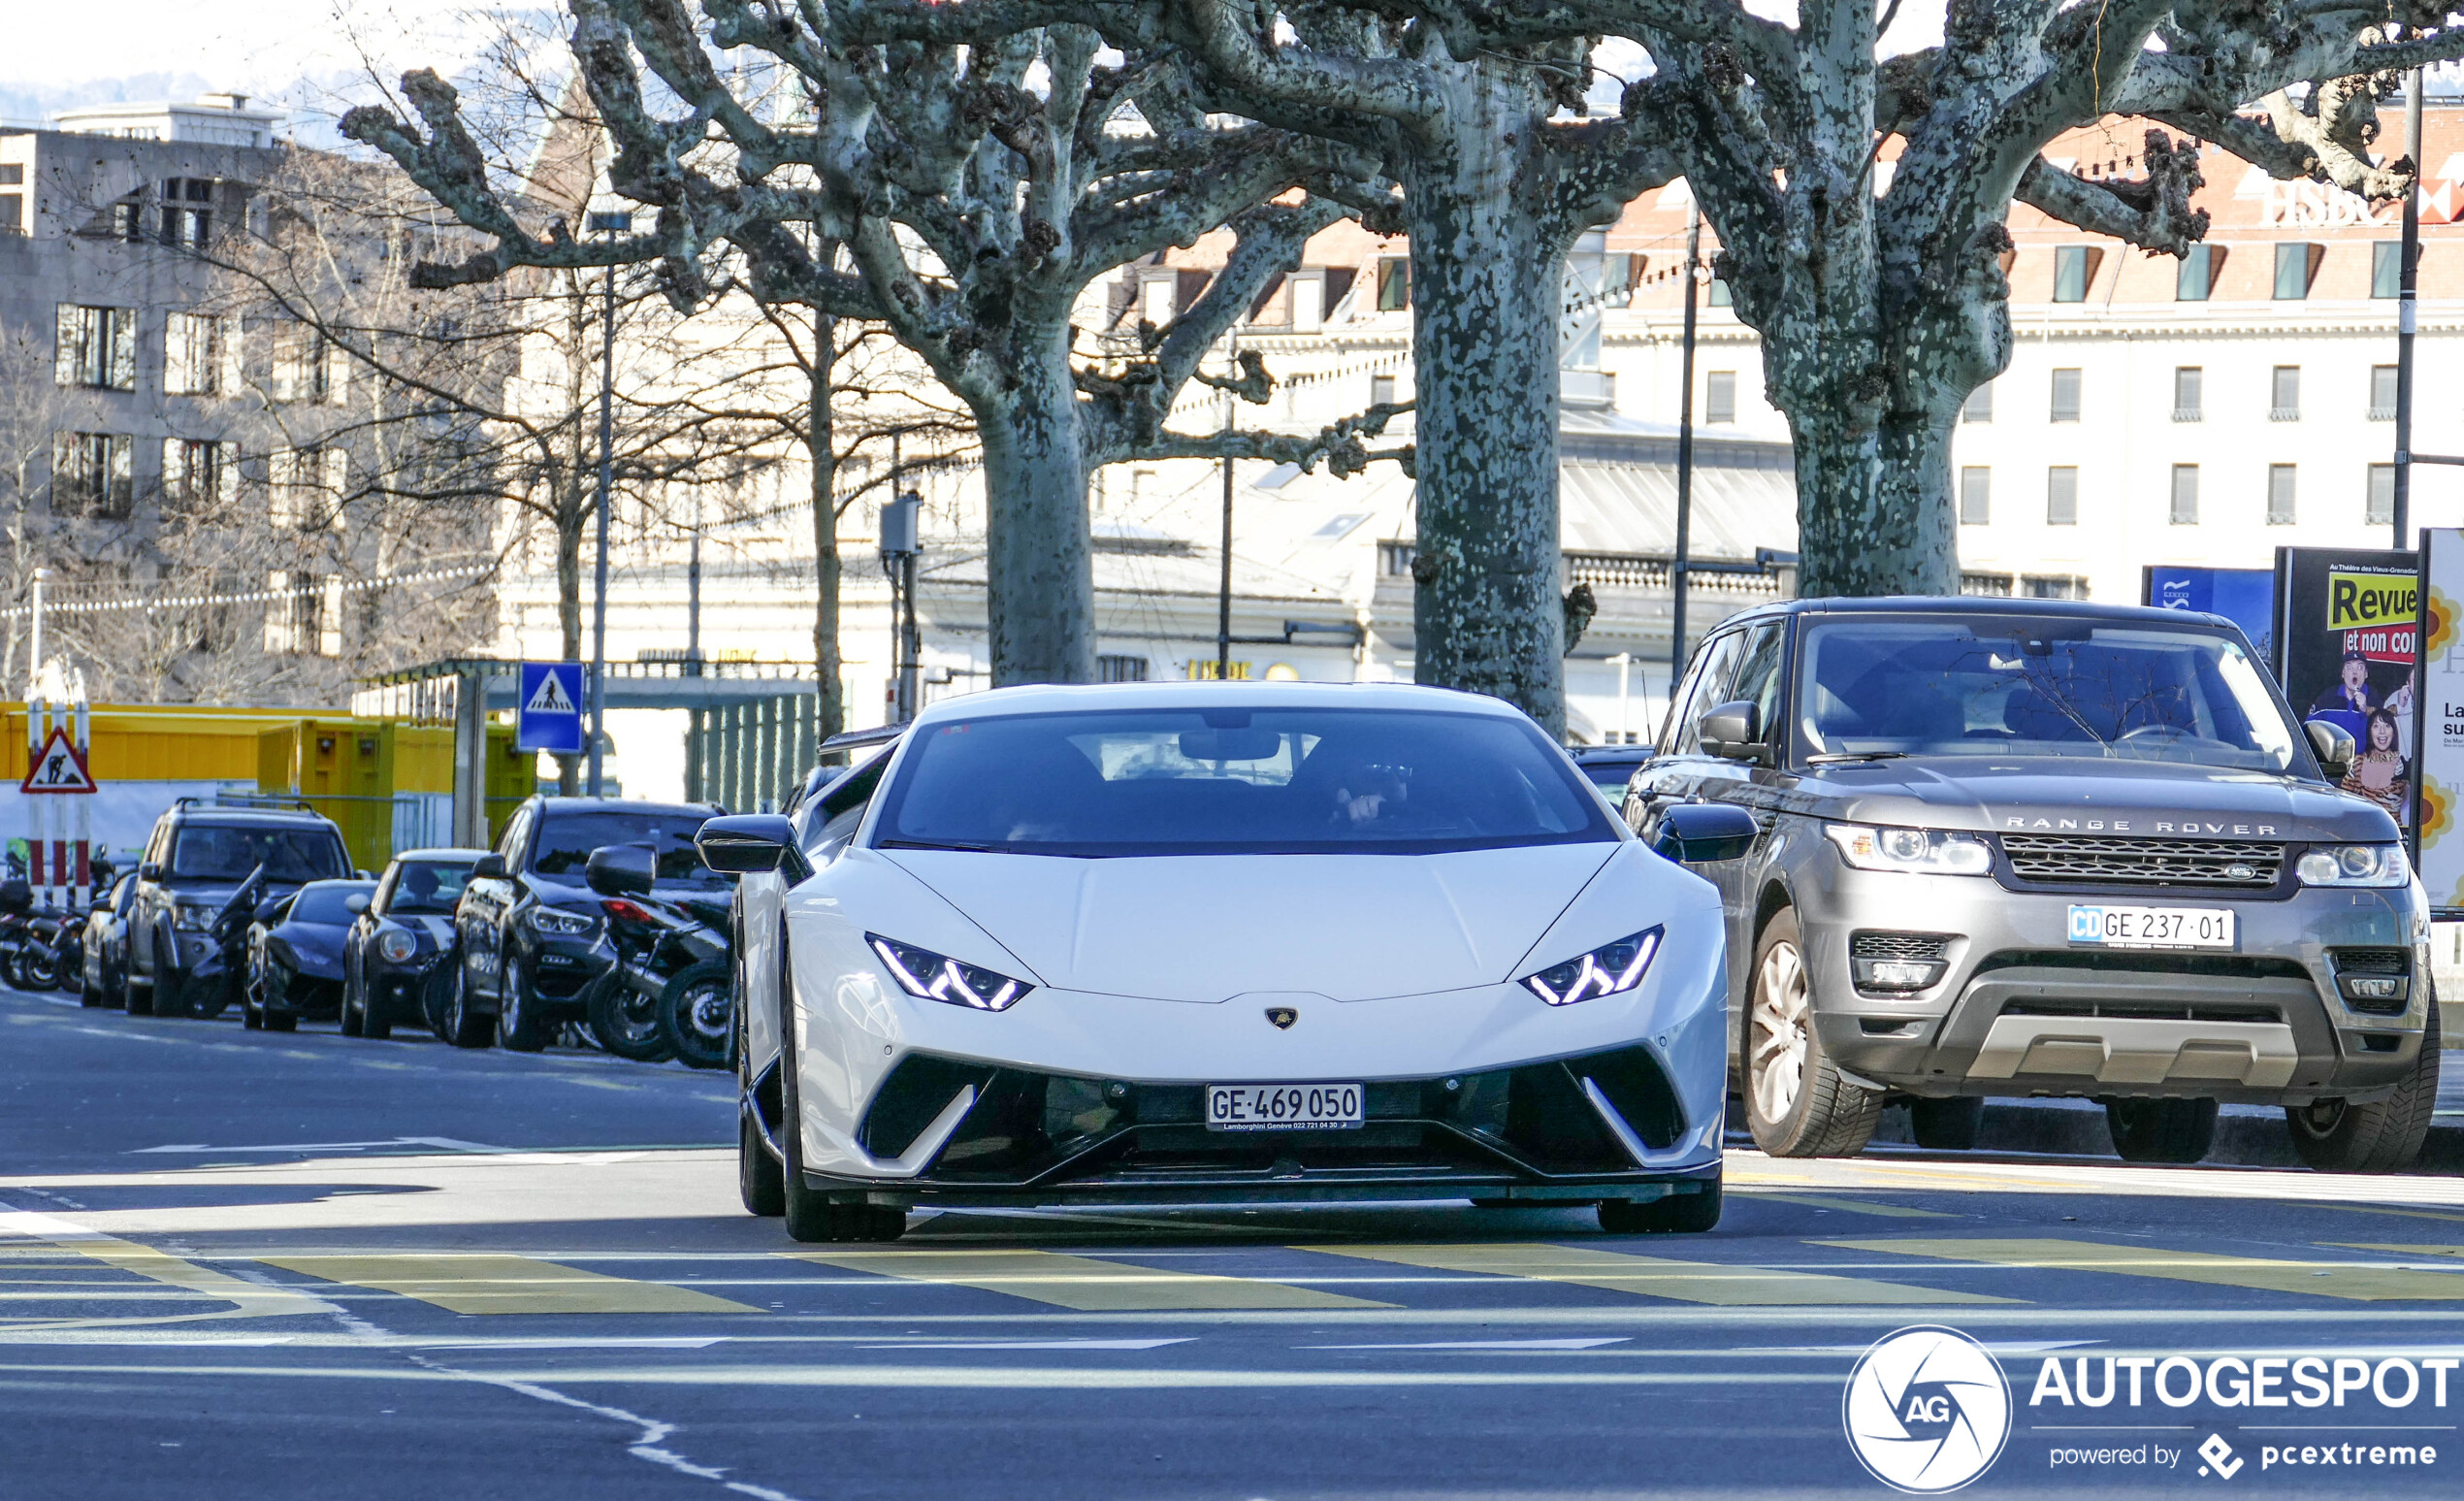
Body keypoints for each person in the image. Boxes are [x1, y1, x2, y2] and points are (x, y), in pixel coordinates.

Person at [2341, 706, 2409, 818]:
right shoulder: (2358, 763)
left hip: (2394, 832)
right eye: (2376, 726)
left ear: (2394, 731)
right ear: (2369, 731)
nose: (2382, 732)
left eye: (2387, 726)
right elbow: (2344, 803)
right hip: (2361, 830)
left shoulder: (2403, 765)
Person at [2311, 650, 2375, 715]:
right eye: (2349, 667)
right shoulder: (2327, 697)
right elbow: (2310, 723)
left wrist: (2366, 709)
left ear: (2366, 674)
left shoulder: (2374, 697)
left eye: (2360, 667)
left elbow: (2382, 722)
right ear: (2343, 673)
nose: (2355, 672)